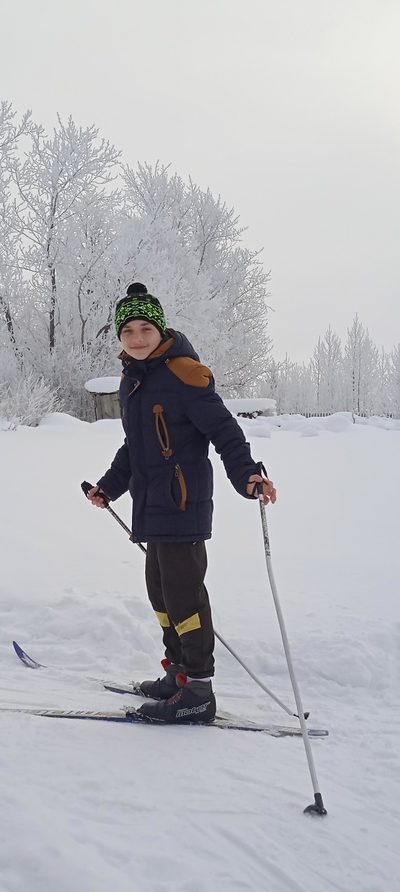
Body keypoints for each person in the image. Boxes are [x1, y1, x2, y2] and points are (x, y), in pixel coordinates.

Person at [88, 282, 276, 723]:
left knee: (185, 597)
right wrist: (109, 486)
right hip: (151, 506)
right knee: (161, 593)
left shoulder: (184, 374)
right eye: (127, 330)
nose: (136, 337)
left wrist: (247, 474)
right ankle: (177, 674)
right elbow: (134, 447)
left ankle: (199, 690)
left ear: (160, 329)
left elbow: (225, 432)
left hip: (182, 504)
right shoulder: (134, 378)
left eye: (144, 328)